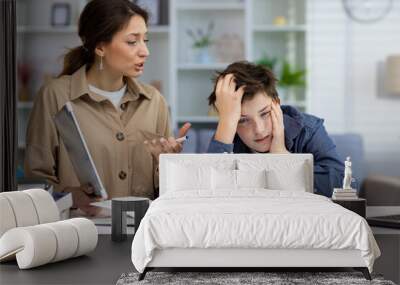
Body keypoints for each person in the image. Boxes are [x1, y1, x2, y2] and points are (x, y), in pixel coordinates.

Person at [24, 0, 190, 215]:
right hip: (80, 234)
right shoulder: (55, 96)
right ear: (100, 46)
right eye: (132, 41)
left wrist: (167, 164)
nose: (145, 51)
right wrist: (69, 195)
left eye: (145, 40)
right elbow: (34, 183)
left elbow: (166, 196)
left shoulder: (154, 101)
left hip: (142, 235)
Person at [207, 61, 343, 197]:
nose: (259, 130)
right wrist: (226, 123)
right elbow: (209, 194)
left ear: (277, 103)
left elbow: (342, 184)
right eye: (242, 120)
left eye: (265, 113)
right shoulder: (227, 134)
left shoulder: (308, 129)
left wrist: (281, 156)